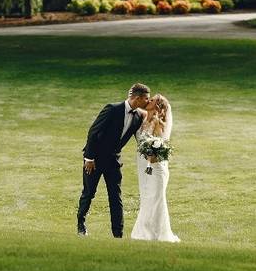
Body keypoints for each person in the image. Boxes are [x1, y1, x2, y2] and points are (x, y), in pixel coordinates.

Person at [77, 83, 150, 237]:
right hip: (94, 160)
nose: (148, 102)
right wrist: (89, 158)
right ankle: (81, 224)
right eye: (146, 99)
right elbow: (93, 132)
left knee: (115, 197)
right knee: (89, 193)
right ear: (137, 98)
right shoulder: (112, 109)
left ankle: (118, 234)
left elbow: (140, 140)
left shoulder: (138, 117)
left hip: (113, 162)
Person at [131, 94, 180, 242]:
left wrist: (151, 154)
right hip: (143, 166)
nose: (148, 101)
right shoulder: (142, 118)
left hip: (156, 166)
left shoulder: (160, 122)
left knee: (157, 198)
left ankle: (159, 234)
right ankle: (145, 231)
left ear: (158, 106)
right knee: (146, 196)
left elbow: (161, 144)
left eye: (151, 100)